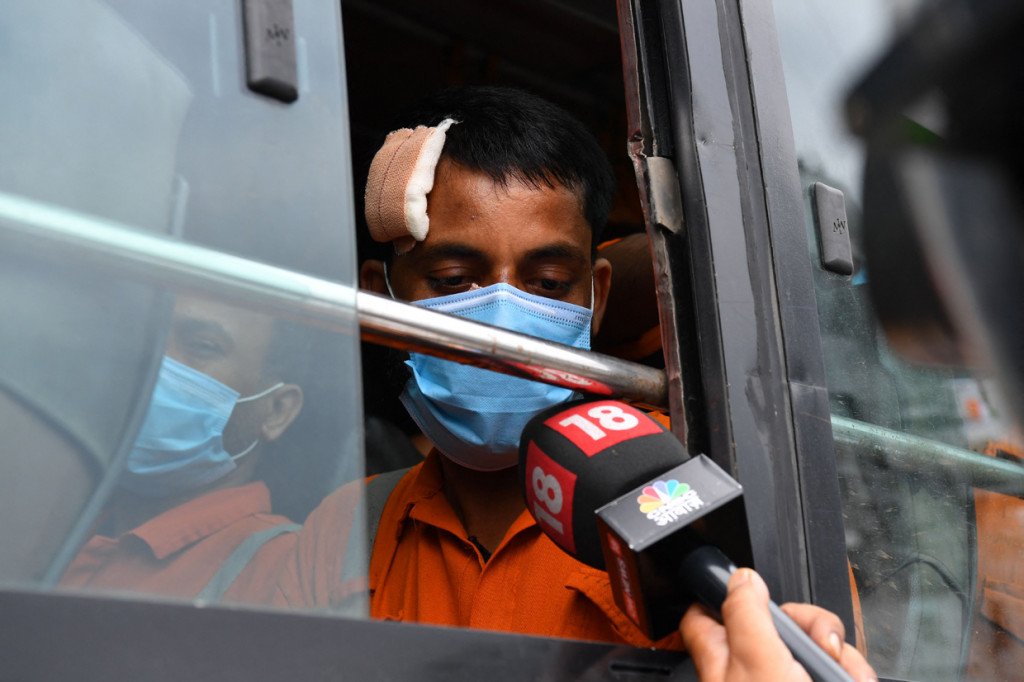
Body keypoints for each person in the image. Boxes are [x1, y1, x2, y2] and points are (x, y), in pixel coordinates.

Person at [265, 86, 875, 682]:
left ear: (596, 297)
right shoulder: (348, 530)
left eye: (549, 284)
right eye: (453, 280)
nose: (502, 322)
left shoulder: (715, 509)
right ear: (379, 299)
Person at [60, 295, 305, 603]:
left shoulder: (287, 570)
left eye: (203, 346)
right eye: (151, 336)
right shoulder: (60, 517)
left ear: (276, 412)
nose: (155, 361)